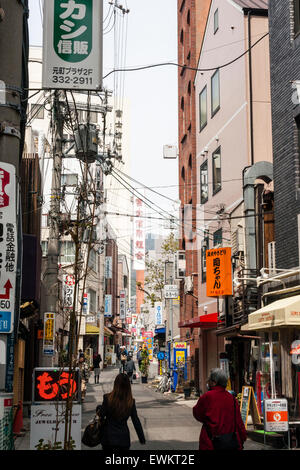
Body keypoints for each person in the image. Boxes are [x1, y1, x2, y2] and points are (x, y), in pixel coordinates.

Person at [193, 368, 247, 451]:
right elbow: (238, 421)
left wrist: (207, 420)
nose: (208, 382)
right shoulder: (232, 399)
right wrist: (242, 437)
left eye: (209, 380)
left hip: (210, 443)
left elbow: (197, 413)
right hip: (230, 443)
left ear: (214, 382)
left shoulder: (207, 397)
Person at [96, 373, 146, 451]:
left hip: (108, 437)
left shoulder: (107, 398)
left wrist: (99, 408)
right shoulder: (130, 402)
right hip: (123, 438)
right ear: (128, 386)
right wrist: (141, 438)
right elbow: (135, 420)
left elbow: (101, 414)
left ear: (115, 384)